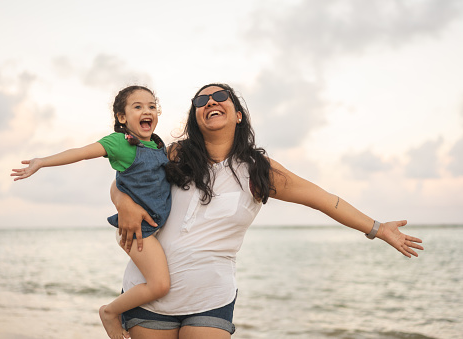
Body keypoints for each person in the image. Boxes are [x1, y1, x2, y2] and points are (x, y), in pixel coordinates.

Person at [110, 83, 424, 339]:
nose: (210, 102)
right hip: (147, 291)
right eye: (201, 100)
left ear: (238, 115)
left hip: (209, 297)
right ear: (195, 116)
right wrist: (123, 204)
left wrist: (378, 229)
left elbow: (326, 200)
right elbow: (123, 183)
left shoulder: (259, 171)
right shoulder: (174, 154)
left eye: (220, 97)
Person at [11, 85, 172, 339]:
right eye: (138, 107)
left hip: (155, 228)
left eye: (152, 106)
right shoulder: (120, 142)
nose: (147, 111)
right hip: (139, 230)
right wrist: (42, 161)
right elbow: (81, 153)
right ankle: (110, 312)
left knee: (159, 282)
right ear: (122, 117)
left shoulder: (159, 145)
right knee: (160, 285)